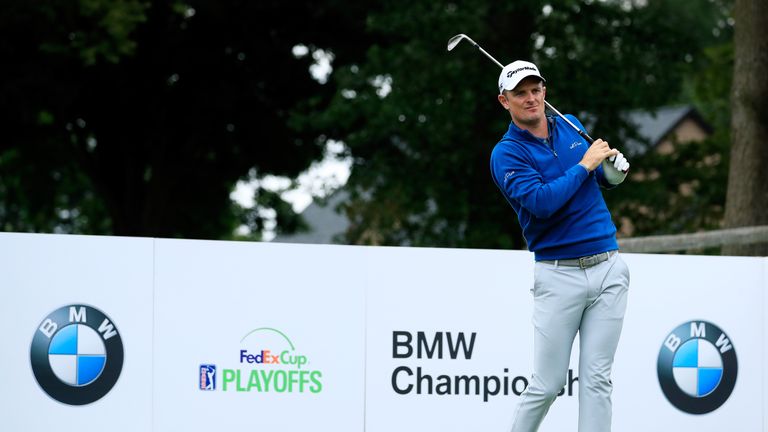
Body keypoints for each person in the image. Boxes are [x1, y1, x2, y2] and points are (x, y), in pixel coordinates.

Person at [489, 60, 631, 432]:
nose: (531, 98)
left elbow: (599, 178)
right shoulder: (506, 154)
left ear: (544, 91)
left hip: (608, 267)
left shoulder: (570, 125)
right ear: (505, 101)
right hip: (558, 274)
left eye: (536, 90)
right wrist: (586, 165)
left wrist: (613, 171)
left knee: (598, 379)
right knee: (548, 384)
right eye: (520, 93)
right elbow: (541, 202)